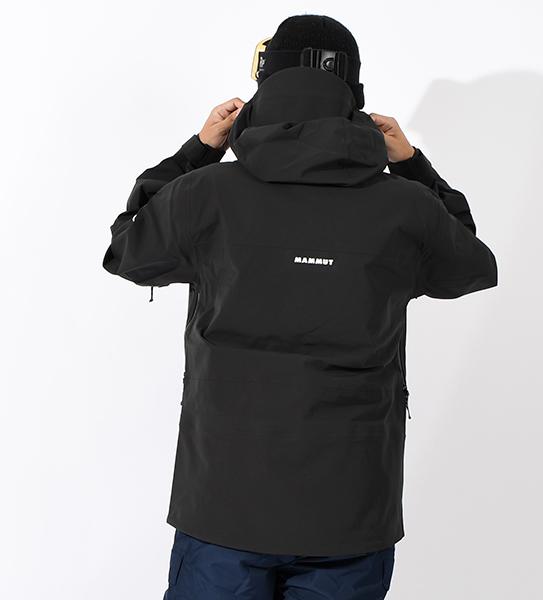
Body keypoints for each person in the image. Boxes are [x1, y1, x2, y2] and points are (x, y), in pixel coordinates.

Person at [102, 13, 497, 600]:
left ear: (267, 81)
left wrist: (198, 153)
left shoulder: (205, 194)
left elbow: (127, 249)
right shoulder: (406, 206)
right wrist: (413, 164)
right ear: (353, 92)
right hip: (351, 510)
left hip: (223, 504)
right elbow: (470, 264)